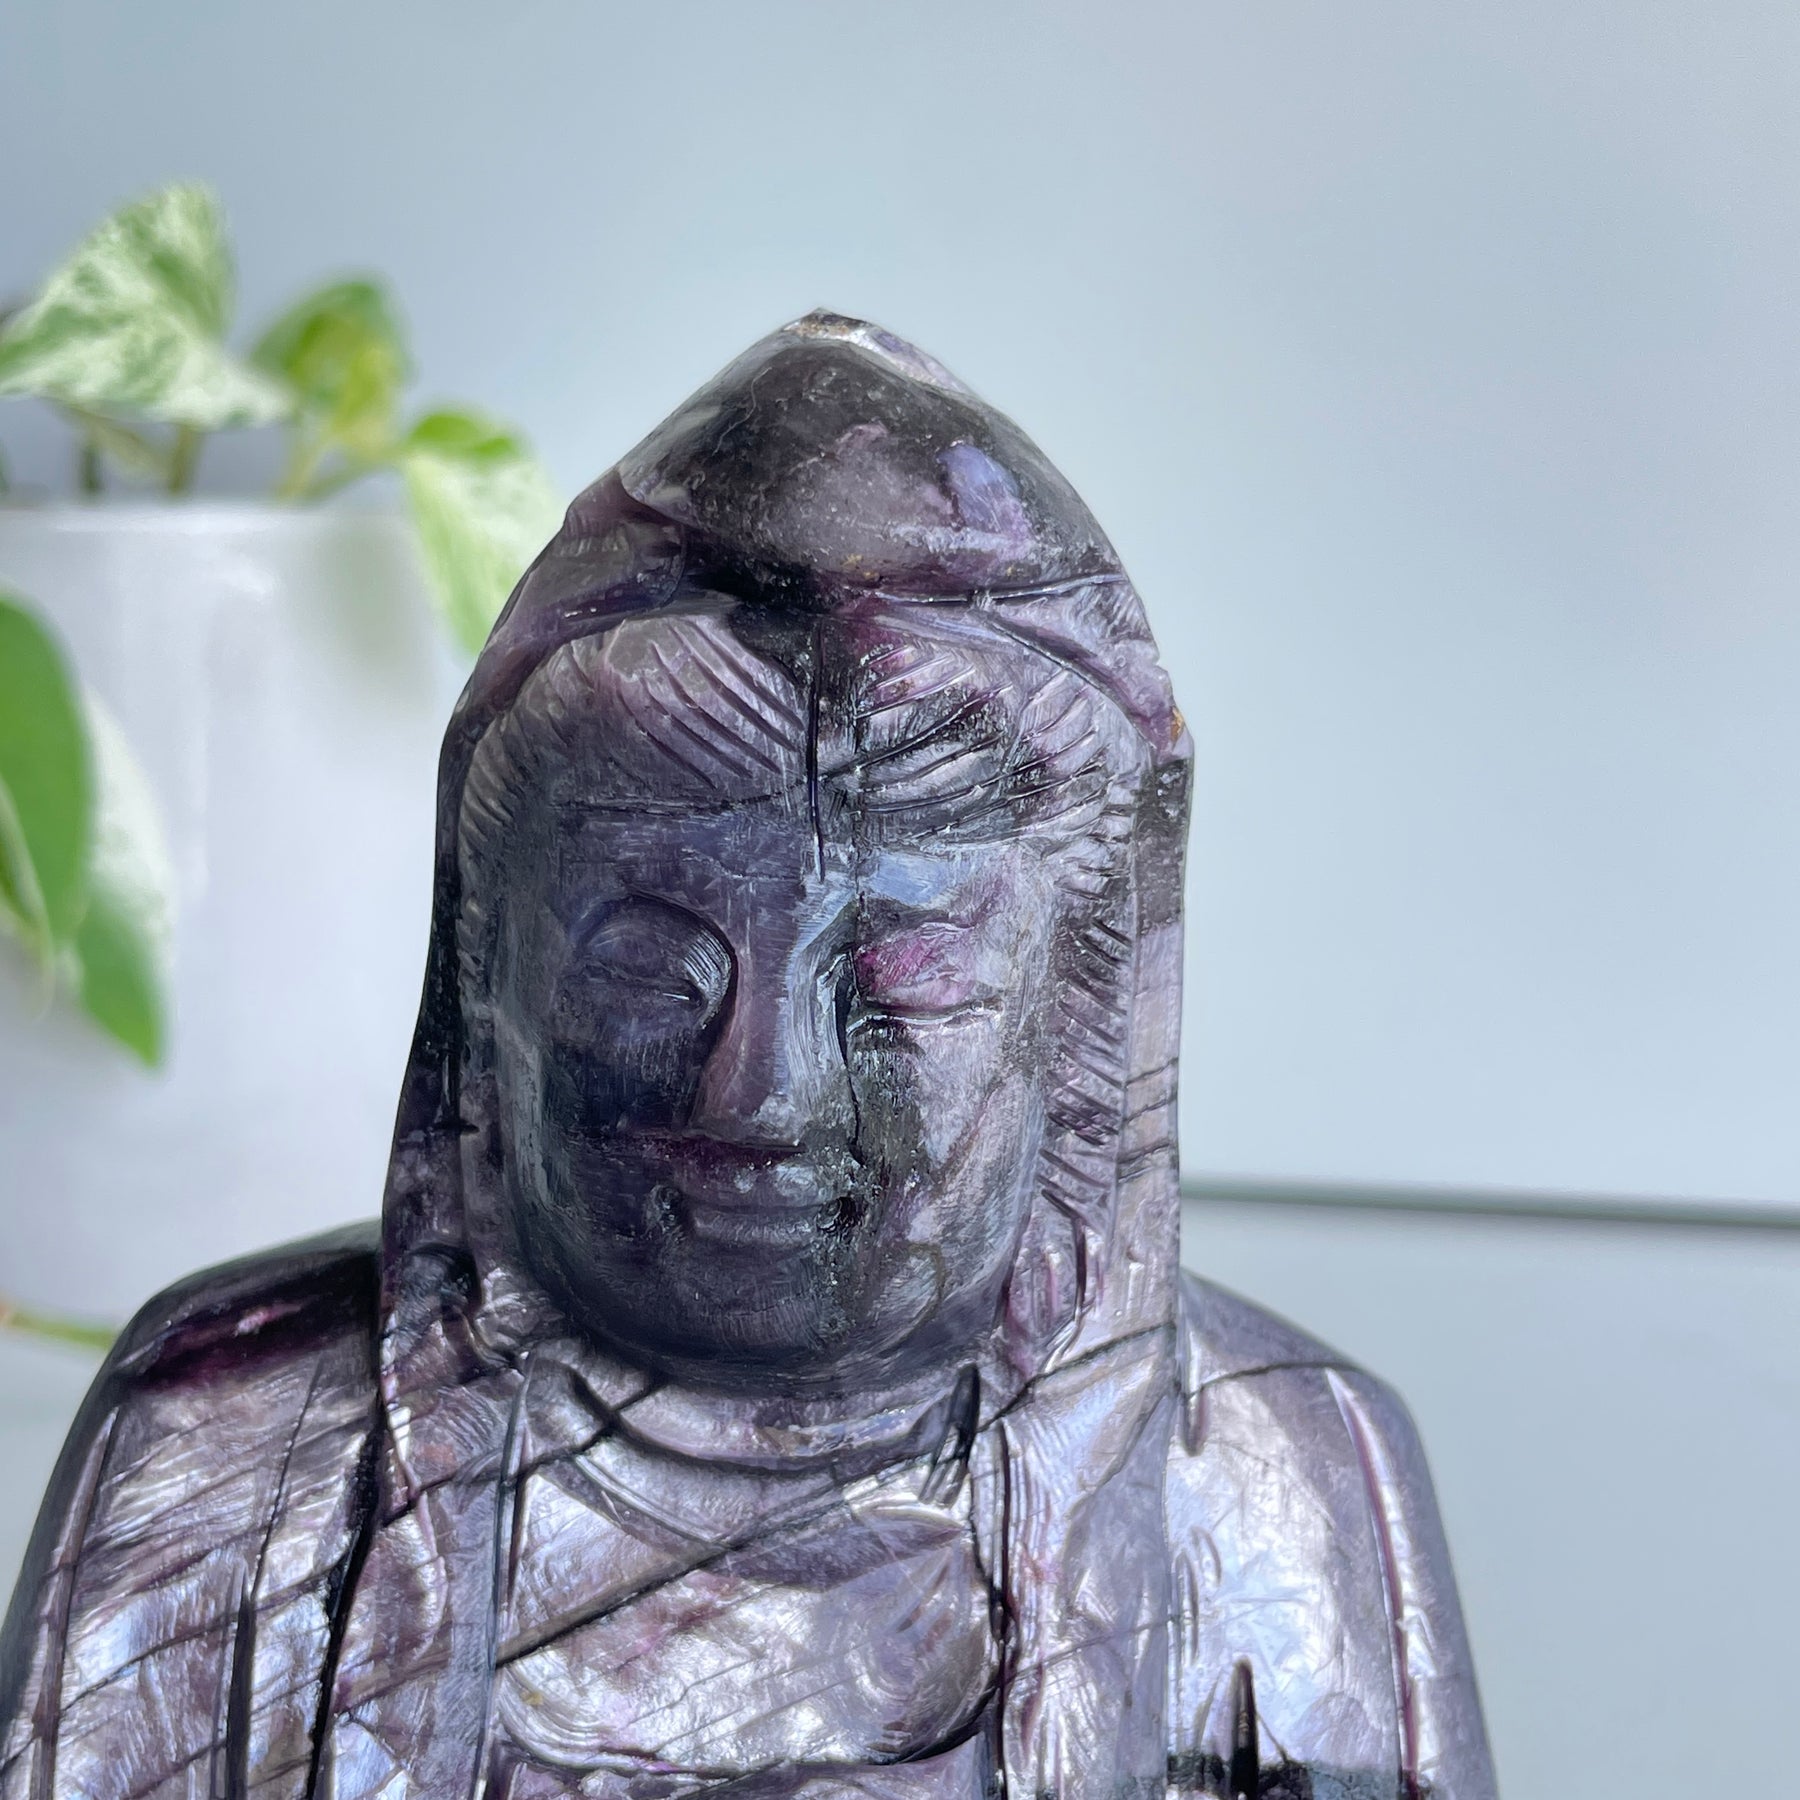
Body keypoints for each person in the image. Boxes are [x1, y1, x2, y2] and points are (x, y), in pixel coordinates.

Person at [0, 315, 1496, 1800]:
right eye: (650, 978)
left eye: (902, 992)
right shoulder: (229, 1453)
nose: (763, 1095)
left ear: (1081, 1032)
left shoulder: (1276, 1480)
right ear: (489, 995)